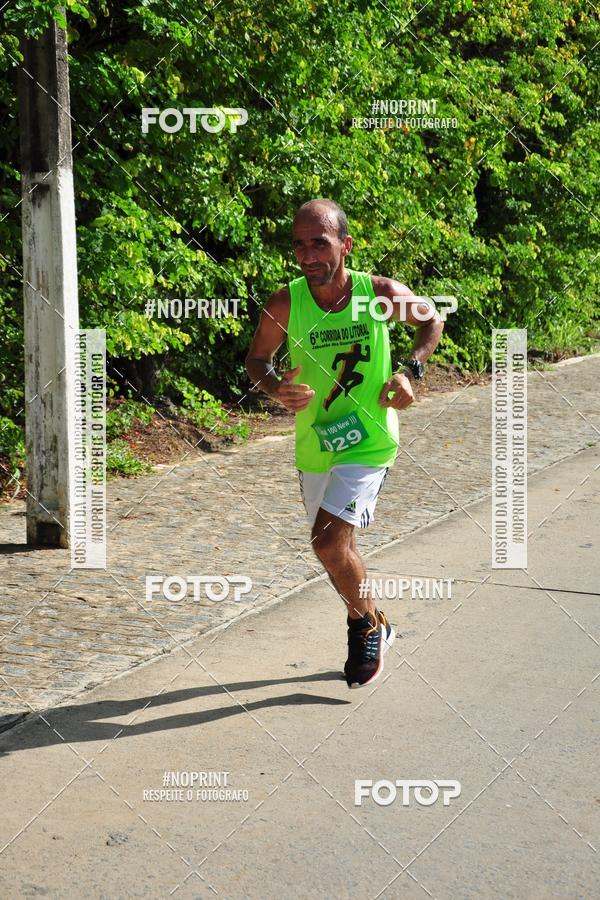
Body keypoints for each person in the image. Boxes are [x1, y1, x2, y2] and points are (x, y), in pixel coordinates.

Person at [245, 199, 444, 688]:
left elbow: (431, 320)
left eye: (320, 243)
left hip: (370, 441)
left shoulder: (377, 294)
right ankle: (377, 619)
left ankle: (361, 628)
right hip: (316, 442)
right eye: (299, 245)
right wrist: (275, 388)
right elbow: (257, 359)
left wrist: (410, 368)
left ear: (345, 245)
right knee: (332, 550)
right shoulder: (285, 303)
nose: (308, 255)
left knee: (329, 540)